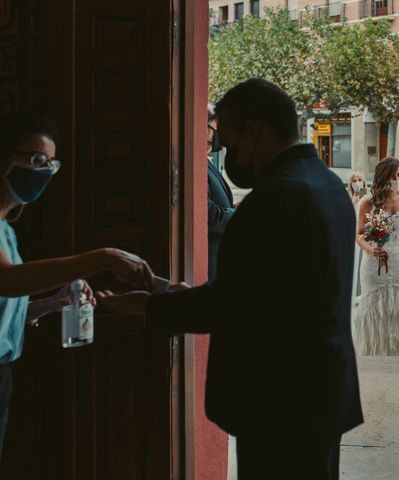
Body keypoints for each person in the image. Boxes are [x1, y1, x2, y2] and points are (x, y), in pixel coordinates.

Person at [100, 79, 363, 480]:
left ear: (254, 131)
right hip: (320, 391)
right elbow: (274, 293)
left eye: (227, 142)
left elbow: (230, 305)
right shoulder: (327, 184)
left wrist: (150, 304)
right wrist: (169, 290)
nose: (225, 155)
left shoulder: (273, 198)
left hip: (278, 402)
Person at [0, 112, 155, 458]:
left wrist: (51, 303)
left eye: (51, 164)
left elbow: (8, 303)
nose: (44, 171)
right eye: (37, 159)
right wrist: (102, 257)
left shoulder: (7, 230)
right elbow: (6, 280)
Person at [352, 157, 399, 357]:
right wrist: (370, 250)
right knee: (374, 307)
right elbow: (359, 235)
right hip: (373, 263)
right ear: (383, 178)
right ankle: (373, 355)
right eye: (394, 176)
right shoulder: (368, 202)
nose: (398, 179)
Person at [206, 104, 235, 281]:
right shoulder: (194, 163)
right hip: (209, 260)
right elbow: (211, 216)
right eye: (214, 128)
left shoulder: (205, 161)